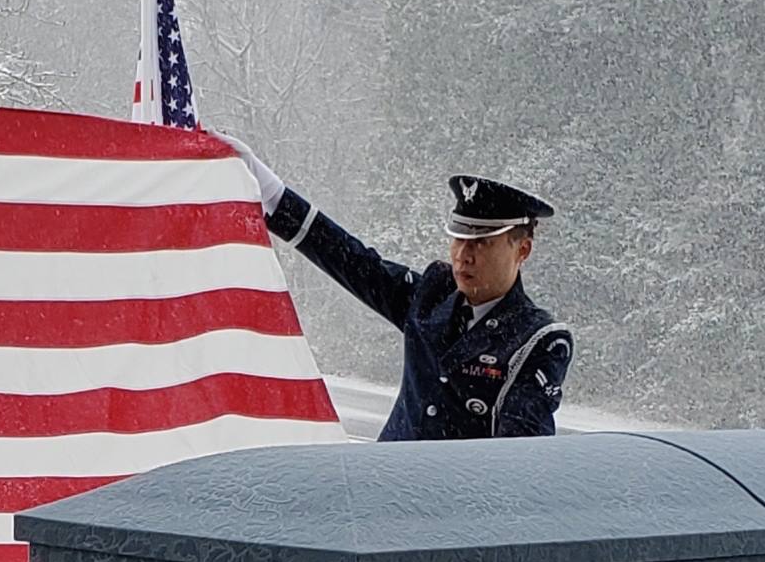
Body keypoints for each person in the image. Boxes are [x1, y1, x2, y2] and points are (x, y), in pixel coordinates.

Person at [224, 139, 572, 440]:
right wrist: (269, 191)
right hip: (385, 492)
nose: (464, 256)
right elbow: (354, 263)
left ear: (521, 250)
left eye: (482, 243)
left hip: (452, 508)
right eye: (459, 239)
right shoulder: (434, 297)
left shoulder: (536, 340)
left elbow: (522, 459)